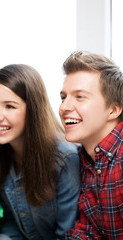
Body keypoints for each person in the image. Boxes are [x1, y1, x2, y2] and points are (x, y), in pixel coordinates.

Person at [0, 64, 80, 239]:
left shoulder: (65, 158)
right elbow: (13, 222)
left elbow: (68, 234)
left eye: (10, 106)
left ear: (33, 110)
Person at [60, 51, 123, 239]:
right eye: (63, 97)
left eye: (80, 97)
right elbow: (89, 230)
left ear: (113, 109)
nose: (64, 107)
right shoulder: (84, 158)